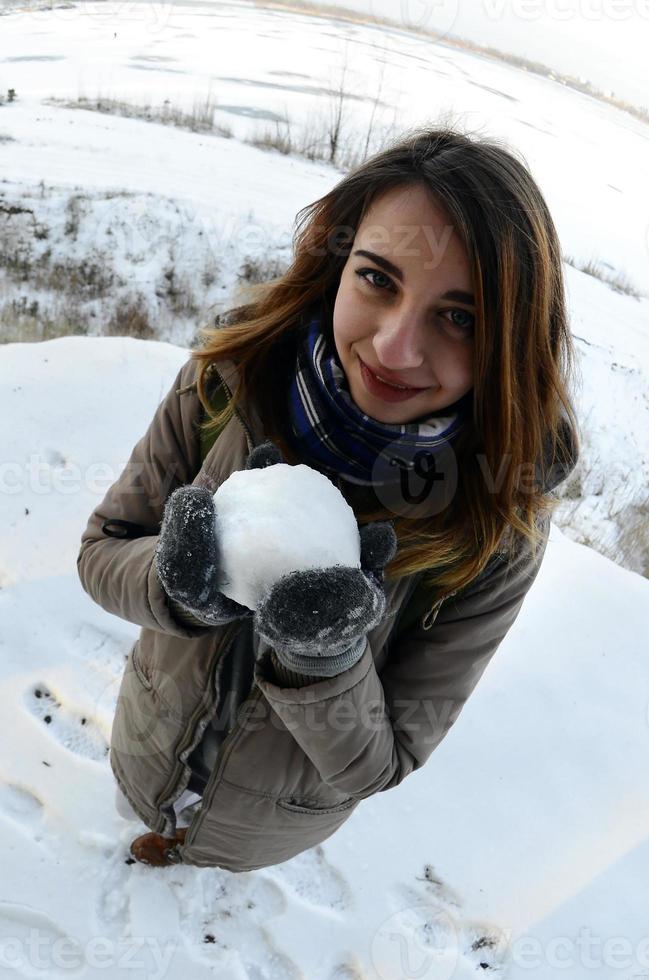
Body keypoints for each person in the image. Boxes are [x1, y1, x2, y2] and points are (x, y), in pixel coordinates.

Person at [78, 125, 580, 870]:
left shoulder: (493, 529)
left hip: (266, 825)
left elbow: (384, 761)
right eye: (378, 278)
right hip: (148, 742)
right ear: (336, 264)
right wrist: (176, 588)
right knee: (140, 824)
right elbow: (101, 552)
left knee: (210, 869)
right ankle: (158, 830)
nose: (393, 348)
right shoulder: (226, 383)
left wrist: (325, 660)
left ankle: (196, 852)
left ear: (509, 342)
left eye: (459, 317)